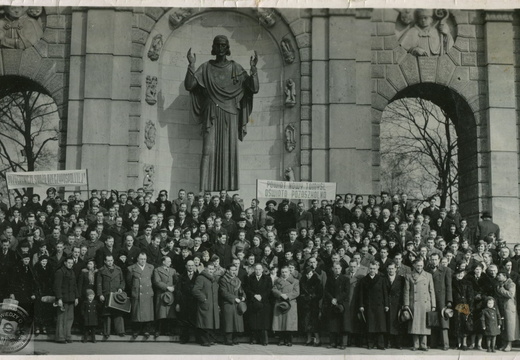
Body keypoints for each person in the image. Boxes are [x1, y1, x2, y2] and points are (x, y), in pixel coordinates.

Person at [184, 35, 259, 191]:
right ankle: (203, 191)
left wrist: (253, 71)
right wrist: (191, 66)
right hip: (211, 111)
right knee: (207, 150)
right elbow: (189, 85)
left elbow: (254, 88)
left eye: (223, 45)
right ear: (213, 47)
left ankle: (226, 192)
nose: (220, 48)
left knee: (228, 152)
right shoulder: (205, 67)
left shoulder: (236, 68)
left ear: (228, 47)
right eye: (217, 45)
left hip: (230, 113)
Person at [403, 258, 436, 351]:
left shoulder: (429, 275)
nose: (419, 267)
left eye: (421, 265)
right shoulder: (409, 276)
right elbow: (406, 291)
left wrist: (433, 305)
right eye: (418, 265)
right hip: (414, 303)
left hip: (425, 303)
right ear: (414, 265)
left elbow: (431, 291)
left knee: (424, 324)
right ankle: (416, 344)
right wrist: (406, 304)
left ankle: (424, 344)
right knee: (415, 324)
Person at [358, 261, 389, 350]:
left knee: (380, 325)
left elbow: (385, 293)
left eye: (374, 269)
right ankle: (370, 344)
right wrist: (361, 305)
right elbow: (361, 294)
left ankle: (380, 344)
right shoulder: (364, 280)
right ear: (368, 269)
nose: (372, 270)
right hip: (369, 306)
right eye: (370, 268)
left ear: (377, 269)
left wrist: (386, 305)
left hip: (379, 305)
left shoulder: (381, 279)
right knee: (370, 326)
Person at [96, 254, 126, 339]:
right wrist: (100, 294)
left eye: (111, 260)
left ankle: (120, 331)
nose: (110, 262)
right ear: (105, 261)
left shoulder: (118, 269)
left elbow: (122, 281)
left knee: (118, 313)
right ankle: (106, 332)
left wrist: (120, 288)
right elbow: (99, 284)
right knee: (107, 314)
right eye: (108, 261)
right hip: (106, 294)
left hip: (116, 295)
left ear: (113, 260)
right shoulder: (101, 270)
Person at [126, 252, 155, 339]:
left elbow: (152, 280)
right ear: (137, 259)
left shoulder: (151, 267)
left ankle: (146, 330)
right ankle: (136, 330)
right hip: (137, 293)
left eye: (144, 259)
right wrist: (135, 289)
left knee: (147, 313)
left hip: (147, 293)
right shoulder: (131, 268)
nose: (143, 261)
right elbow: (129, 282)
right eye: (141, 259)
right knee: (136, 313)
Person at [192, 262, 220, 346]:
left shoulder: (214, 279)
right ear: (205, 269)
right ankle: (204, 340)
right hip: (205, 304)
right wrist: (204, 299)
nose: (211, 271)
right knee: (204, 322)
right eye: (209, 269)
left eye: (212, 269)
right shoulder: (201, 278)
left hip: (213, 305)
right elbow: (195, 290)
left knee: (210, 323)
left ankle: (210, 339)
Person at [244, 263, 272, 346]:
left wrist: (262, 296)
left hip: (264, 302)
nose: (258, 271)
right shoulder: (250, 278)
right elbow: (247, 289)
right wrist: (254, 295)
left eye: (259, 269)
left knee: (263, 322)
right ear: (254, 270)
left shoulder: (267, 278)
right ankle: (254, 339)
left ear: (262, 270)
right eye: (256, 269)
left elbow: (269, 290)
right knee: (254, 321)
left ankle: (264, 340)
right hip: (253, 301)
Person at [272, 265, 300, 346]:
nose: (284, 274)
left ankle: (289, 340)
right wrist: (281, 294)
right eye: (282, 272)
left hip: (290, 303)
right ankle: (281, 339)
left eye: (286, 272)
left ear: (289, 272)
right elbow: (274, 289)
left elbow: (296, 292)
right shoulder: (277, 281)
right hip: (280, 302)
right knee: (280, 322)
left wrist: (287, 296)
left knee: (289, 322)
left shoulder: (295, 281)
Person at [54, 256, 79, 344]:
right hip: (63, 299)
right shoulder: (60, 272)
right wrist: (59, 298)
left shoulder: (72, 272)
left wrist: (76, 297)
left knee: (69, 318)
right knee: (61, 319)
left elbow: (75, 286)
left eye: (72, 263)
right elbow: (57, 287)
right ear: (65, 263)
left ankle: (67, 336)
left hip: (71, 299)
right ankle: (60, 337)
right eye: (69, 263)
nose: (70, 264)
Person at [219, 264, 245, 345]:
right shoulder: (223, 280)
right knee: (229, 323)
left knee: (237, 323)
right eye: (232, 270)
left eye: (235, 270)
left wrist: (243, 296)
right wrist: (234, 298)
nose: (234, 272)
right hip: (228, 303)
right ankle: (228, 340)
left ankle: (235, 339)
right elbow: (223, 292)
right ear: (227, 270)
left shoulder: (237, 279)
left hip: (237, 303)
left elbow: (241, 290)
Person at [152, 256, 178, 338]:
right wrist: (167, 287)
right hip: (161, 294)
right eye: (168, 261)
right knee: (160, 313)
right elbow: (157, 282)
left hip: (170, 294)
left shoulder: (173, 271)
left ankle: (168, 330)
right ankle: (158, 330)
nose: (170, 262)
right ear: (163, 262)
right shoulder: (157, 270)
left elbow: (177, 281)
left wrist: (174, 287)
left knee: (169, 313)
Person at [323, 263, 348, 349]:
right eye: (335, 268)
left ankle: (342, 343)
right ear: (333, 269)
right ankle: (332, 342)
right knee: (332, 324)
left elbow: (346, 292)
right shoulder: (330, 279)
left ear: (341, 269)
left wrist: (337, 299)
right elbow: (326, 291)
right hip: (332, 304)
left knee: (342, 325)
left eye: (338, 268)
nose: (337, 270)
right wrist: (332, 299)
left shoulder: (345, 279)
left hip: (341, 304)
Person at [298, 265, 323, 347]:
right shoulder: (302, 281)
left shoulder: (317, 281)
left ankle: (317, 339)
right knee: (306, 322)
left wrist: (312, 296)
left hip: (314, 304)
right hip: (305, 304)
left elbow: (320, 293)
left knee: (314, 322)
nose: (308, 275)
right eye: (307, 274)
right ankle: (309, 340)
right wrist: (304, 297)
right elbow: (300, 292)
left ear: (313, 273)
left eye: (309, 274)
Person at [175, 260, 199, 344]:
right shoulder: (181, 277)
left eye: (192, 265)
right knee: (184, 320)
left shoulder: (198, 276)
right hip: (184, 302)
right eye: (189, 265)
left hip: (194, 302)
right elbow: (178, 290)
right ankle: (185, 338)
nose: (191, 267)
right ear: (186, 266)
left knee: (195, 320)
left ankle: (198, 338)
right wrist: (178, 303)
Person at [495, 271, 518, 351]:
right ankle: (504, 343)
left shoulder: (511, 284)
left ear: (505, 276)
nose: (498, 276)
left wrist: (501, 289)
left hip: (509, 307)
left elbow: (511, 294)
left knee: (510, 326)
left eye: (499, 275)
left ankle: (509, 344)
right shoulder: (499, 284)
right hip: (502, 306)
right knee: (504, 325)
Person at [385, 261, 406, 349]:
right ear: (387, 269)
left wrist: (403, 304)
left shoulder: (401, 279)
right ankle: (389, 342)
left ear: (396, 269)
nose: (391, 270)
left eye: (392, 268)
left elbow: (404, 292)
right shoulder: (383, 278)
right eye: (389, 269)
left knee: (397, 323)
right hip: (387, 304)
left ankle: (398, 343)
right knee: (388, 323)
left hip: (397, 304)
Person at [452, 268, 474, 350]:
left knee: (465, 323)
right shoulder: (453, 283)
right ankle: (459, 343)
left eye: (462, 273)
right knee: (457, 324)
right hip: (456, 305)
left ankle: (464, 343)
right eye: (458, 273)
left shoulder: (468, 283)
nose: (460, 275)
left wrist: (470, 307)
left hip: (465, 305)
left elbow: (470, 296)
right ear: (455, 274)